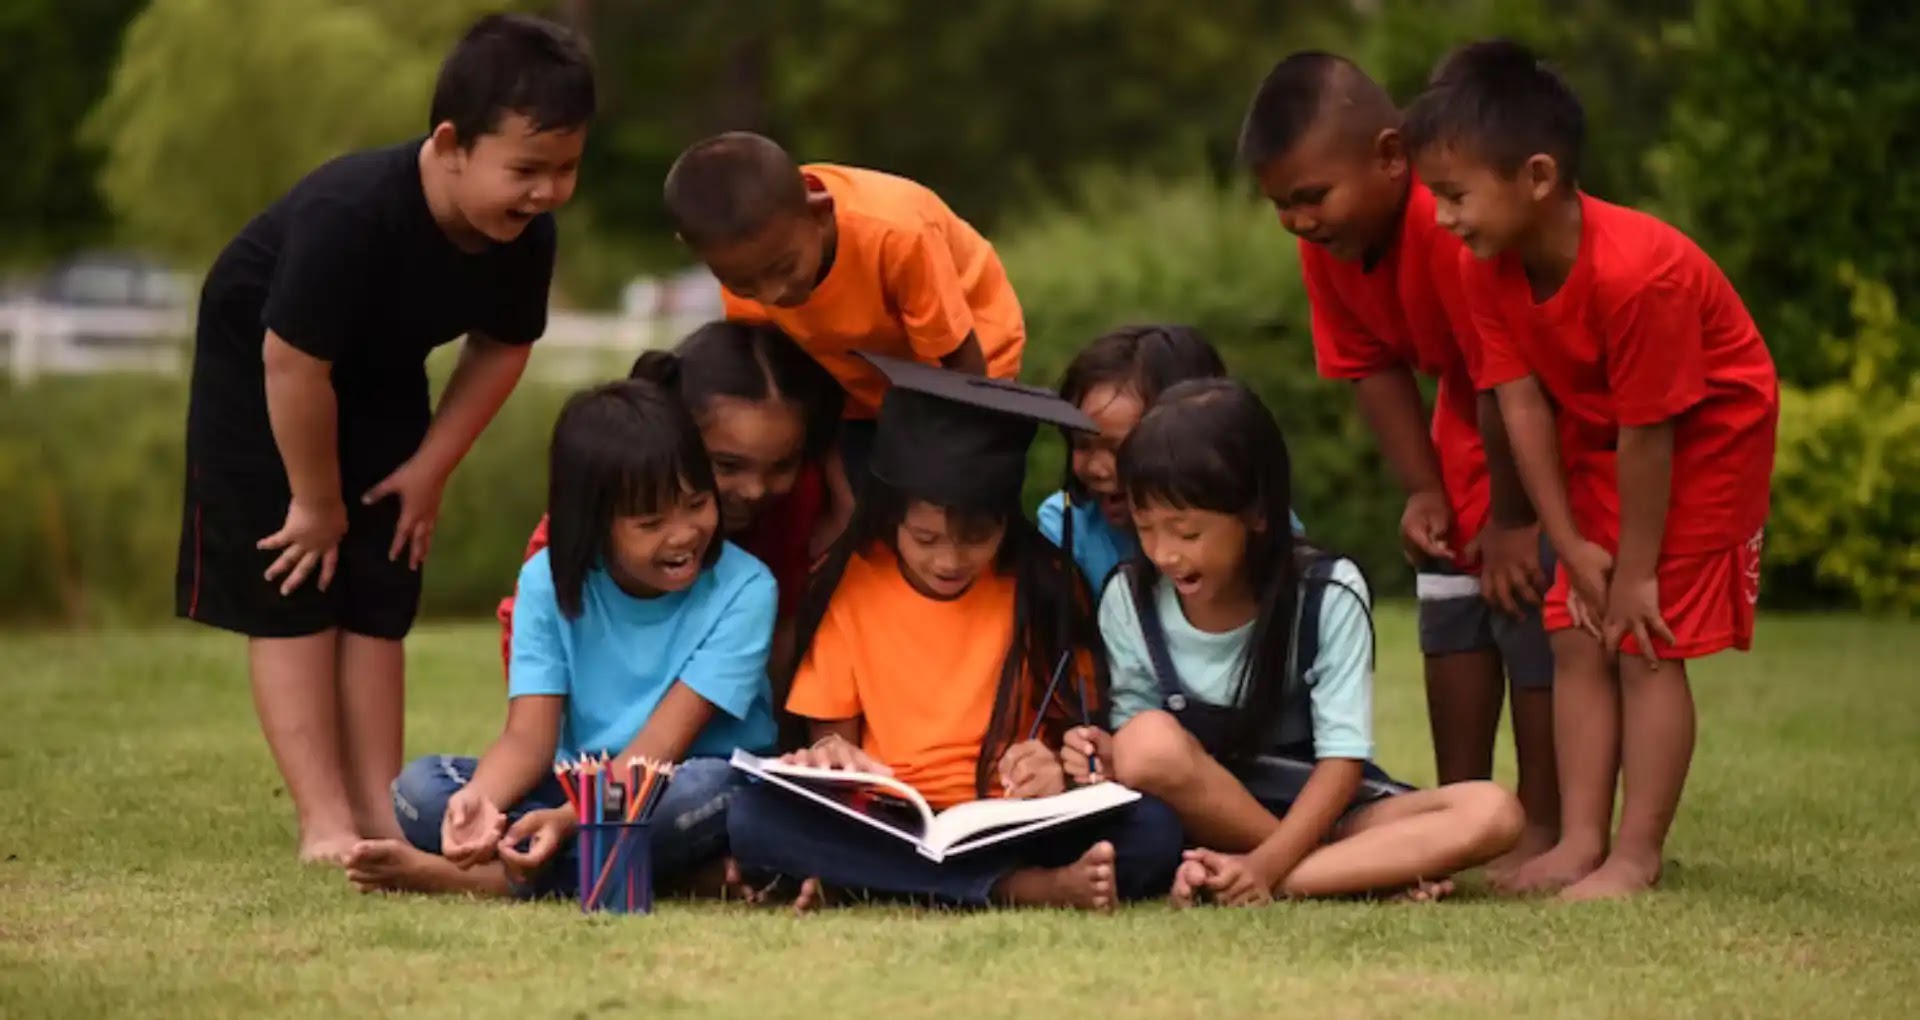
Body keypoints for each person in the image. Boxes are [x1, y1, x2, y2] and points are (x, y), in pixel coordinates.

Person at [172, 13, 594, 865]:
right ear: (451, 144)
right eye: (526, 170)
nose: (546, 191)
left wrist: (429, 470)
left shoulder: (523, 236)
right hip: (266, 372)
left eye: (566, 170)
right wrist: (315, 502)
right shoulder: (350, 212)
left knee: (379, 580)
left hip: (380, 369)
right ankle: (323, 819)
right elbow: (291, 366)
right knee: (297, 576)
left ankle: (379, 811)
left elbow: (504, 346)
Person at [1404, 40, 1778, 899]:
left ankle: (1636, 856)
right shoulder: (1483, 267)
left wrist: (1638, 572)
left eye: (1455, 195)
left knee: (1644, 637)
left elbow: (1656, 432)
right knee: (1575, 624)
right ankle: (1578, 841)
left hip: (1704, 437)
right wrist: (1567, 544)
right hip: (1607, 429)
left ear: (1537, 176)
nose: (1443, 218)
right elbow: (1520, 403)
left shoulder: (1639, 277)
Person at [1236, 51, 1559, 876]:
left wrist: (1515, 520)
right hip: (1470, 415)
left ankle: (1545, 823)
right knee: (1449, 590)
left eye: (1312, 197)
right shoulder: (1332, 250)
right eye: (1282, 205)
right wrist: (1426, 489)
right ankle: (1458, 810)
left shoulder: (1450, 225)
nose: (1300, 221)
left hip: (1539, 423)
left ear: (1390, 157)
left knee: (1526, 603)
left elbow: (1505, 377)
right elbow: (1371, 366)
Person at [726, 355, 1184, 911]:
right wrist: (830, 757)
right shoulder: (850, 582)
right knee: (753, 818)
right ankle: (1022, 889)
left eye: (976, 538)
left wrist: (1053, 768)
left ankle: (876, 881)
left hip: (1010, 818)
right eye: (925, 537)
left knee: (1154, 829)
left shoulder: (1044, 583)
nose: (948, 559)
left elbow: (1076, 739)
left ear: (1005, 523)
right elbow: (833, 745)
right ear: (892, 516)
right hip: (892, 820)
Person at [1061, 379, 1523, 905]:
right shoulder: (1130, 597)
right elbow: (1140, 749)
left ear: (1257, 514)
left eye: (1188, 533)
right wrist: (1103, 750)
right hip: (1202, 811)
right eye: (1147, 528)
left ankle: (1265, 877)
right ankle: (1360, 874)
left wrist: (1268, 864)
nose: (1165, 554)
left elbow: (1342, 760)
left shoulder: (1327, 592)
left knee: (1493, 811)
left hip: (1327, 808)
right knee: (1144, 742)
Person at [344, 379, 778, 896]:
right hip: (579, 788)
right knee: (423, 790)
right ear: (592, 524)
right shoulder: (546, 582)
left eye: (697, 503)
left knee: (711, 792)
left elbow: (658, 750)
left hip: (671, 783)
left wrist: (566, 821)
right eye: (651, 521)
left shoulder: (746, 589)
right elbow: (528, 741)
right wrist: (480, 802)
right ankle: (656, 873)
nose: (684, 533)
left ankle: (487, 880)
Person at [662, 131, 1026, 538]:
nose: (771, 295)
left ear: (819, 213)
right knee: (860, 519)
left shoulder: (897, 235)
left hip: (966, 370)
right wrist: (841, 503)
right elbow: (800, 391)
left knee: (938, 519)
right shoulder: (751, 256)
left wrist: (942, 476)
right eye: (743, 285)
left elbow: (960, 369)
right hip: (858, 373)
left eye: (784, 269)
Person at [497, 321, 844, 682]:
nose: (756, 489)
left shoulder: (795, 505)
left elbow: (787, 626)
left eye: (782, 464)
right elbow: (533, 628)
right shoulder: (603, 507)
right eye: (727, 464)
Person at [1037, 324, 1304, 592]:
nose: (1096, 468)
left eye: (1120, 449)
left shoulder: (1254, 525)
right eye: (1081, 444)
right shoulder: (1067, 528)